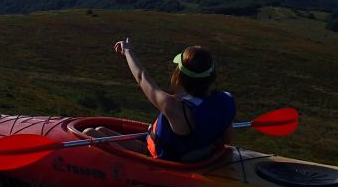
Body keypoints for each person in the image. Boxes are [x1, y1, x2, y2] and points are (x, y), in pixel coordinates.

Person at [88, 38, 236, 161]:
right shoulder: (227, 100)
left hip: (158, 159)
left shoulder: (174, 107)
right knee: (101, 130)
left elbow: (142, 78)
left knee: (90, 132)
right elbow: (226, 139)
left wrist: (128, 51)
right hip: (193, 157)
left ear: (180, 76)